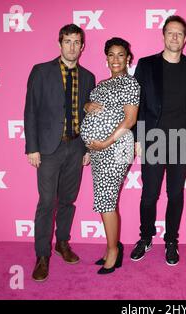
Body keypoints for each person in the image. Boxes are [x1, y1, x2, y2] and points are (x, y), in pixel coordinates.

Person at [24, 24, 96, 282]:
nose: (72, 47)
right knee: (46, 202)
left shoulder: (88, 77)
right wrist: (32, 147)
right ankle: (42, 255)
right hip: (48, 149)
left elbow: (89, 117)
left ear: (83, 46)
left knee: (67, 200)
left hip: (76, 148)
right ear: (59, 44)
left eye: (77, 42)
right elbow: (30, 110)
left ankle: (62, 243)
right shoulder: (42, 71)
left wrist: (87, 147)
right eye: (67, 42)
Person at [130, 15, 186, 266]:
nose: (174, 37)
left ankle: (172, 241)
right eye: (170, 32)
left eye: (179, 33)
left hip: (181, 139)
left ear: (185, 38)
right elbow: (136, 103)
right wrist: (137, 137)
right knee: (149, 195)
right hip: (152, 138)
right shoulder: (147, 64)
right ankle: (146, 237)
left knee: (175, 194)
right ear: (163, 35)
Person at [81, 37, 140, 274]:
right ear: (106, 58)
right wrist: (86, 106)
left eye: (120, 55)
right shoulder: (100, 85)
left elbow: (130, 119)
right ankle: (110, 247)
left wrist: (105, 142)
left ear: (128, 58)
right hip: (97, 151)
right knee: (104, 199)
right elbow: (92, 113)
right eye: (111, 55)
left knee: (106, 200)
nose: (116, 59)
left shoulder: (130, 84)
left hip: (116, 147)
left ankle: (114, 251)